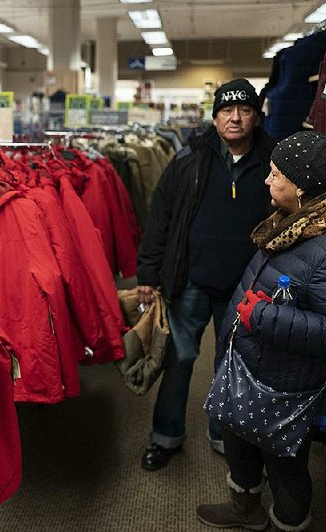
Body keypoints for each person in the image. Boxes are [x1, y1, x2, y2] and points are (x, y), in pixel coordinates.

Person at [196, 132, 326, 531]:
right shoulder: (293, 222)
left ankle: (287, 523)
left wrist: (260, 317)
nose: (266, 180)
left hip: (287, 385)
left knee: (286, 466)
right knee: (240, 443)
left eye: (275, 173)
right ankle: (245, 509)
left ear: (301, 185)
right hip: (251, 366)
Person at [137, 79, 275, 470]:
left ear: (256, 117)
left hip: (246, 285)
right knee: (178, 359)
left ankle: (223, 435)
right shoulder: (189, 159)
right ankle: (165, 436)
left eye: (244, 110)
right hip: (191, 278)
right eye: (227, 111)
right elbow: (159, 218)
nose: (235, 118)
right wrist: (148, 271)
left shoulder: (273, 161)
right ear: (214, 118)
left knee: (231, 364)